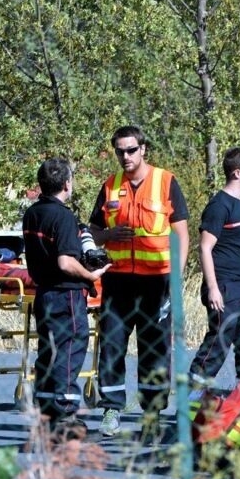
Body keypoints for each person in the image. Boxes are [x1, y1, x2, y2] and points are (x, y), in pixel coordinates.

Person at [89, 126, 190, 442]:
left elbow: (182, 235)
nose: (125, 157)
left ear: (143, 148)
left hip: (155, 283)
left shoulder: (166, 181)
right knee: (112, 347)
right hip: (117, 281)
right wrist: (107, 236)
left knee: (155, 350)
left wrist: (175, 280)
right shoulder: (110, 186)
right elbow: (92, 231)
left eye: (131, 150)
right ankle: (111, 411)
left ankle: (152, 416)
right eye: (120, 151)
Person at [23, 157, 110, 441]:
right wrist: (90, 275)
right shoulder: (63, 217)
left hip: (44, 293)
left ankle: (46, 412)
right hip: (66, 294)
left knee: (48, 354)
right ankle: (66, 416)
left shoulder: (33, 214)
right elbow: (65, 262)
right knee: (69, 353)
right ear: (66, 184)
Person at [188, 147, 240, 385]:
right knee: (219, 340)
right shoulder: (219, 206)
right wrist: (213, 288)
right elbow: (204, 248)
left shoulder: (238, 203)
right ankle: (192, 395)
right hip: (224, 287)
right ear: (237, 173)